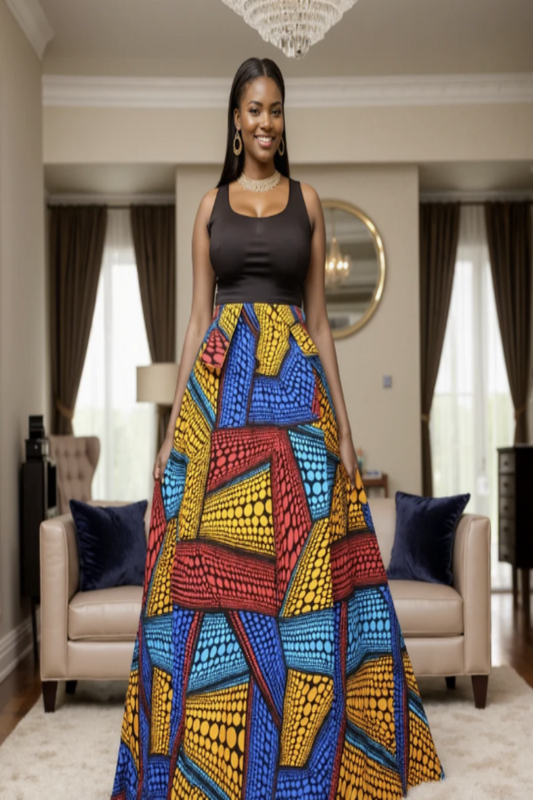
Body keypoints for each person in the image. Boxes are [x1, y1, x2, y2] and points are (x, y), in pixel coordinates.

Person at [111, 56, 444, 800]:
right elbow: (197, 318)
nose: (266, 122)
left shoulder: (309, 202)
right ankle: (213, 761)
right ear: (235, 119)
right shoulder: (208, 207)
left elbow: (320, 324)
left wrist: (345, 433)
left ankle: (309, 760)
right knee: (209, 574)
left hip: (295, 391)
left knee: (306, 578)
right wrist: (171, 429)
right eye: (254, 109)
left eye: (276, 109)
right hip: (221, 396)